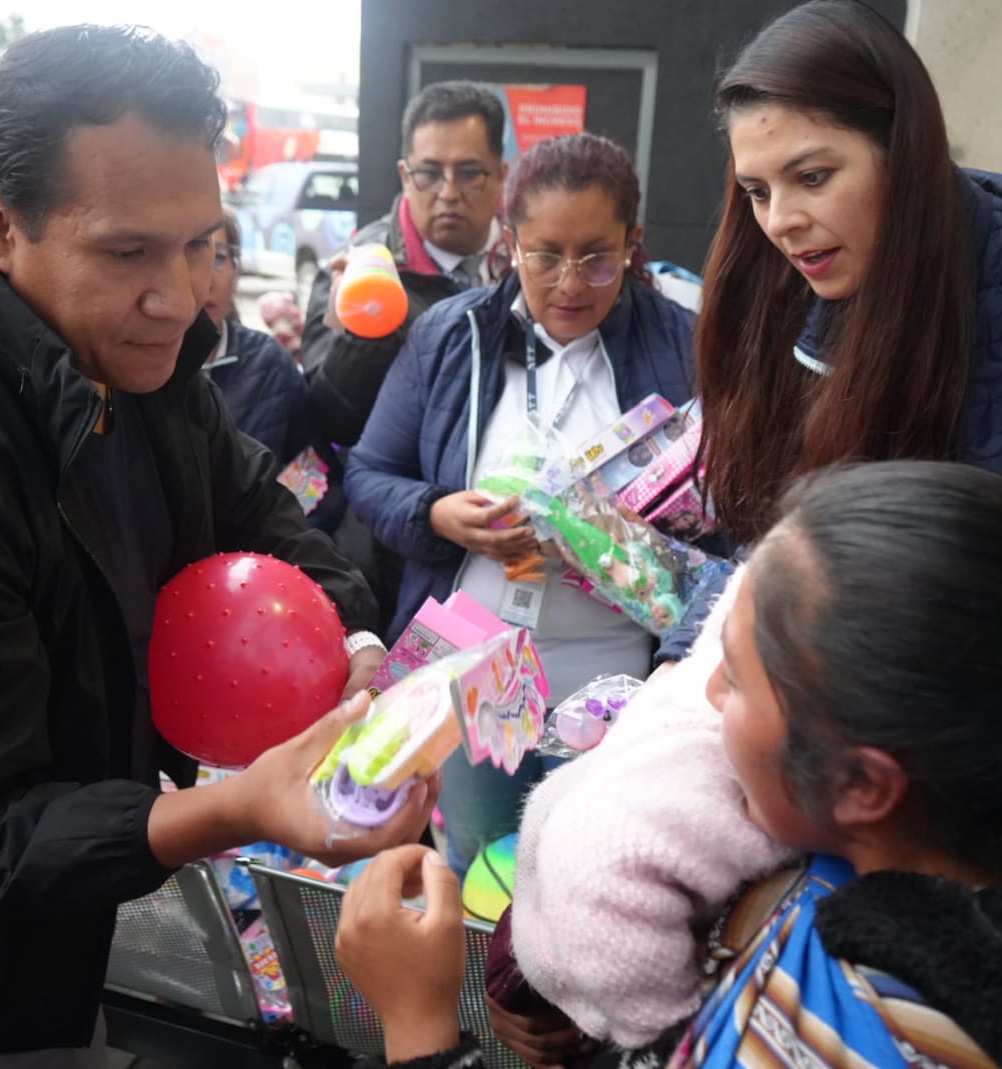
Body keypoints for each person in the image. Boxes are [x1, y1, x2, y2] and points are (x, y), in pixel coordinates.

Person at [0, 26, 429, 1062]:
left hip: (94, 839)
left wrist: (354, 634)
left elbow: (250, 503)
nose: (183, 296)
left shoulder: (123, 340)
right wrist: (231, 808)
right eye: (128, 251)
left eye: (200, 243)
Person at [336, 460, 1002, 1068]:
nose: (708, 697)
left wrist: (419, 1024)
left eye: (734, 676)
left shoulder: (831, 1029)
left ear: (861, 785)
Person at [655, 0, 1002, 666]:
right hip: (827, 695)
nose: (780, 220)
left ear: (906, 150)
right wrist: (674, 679)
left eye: (813, 177)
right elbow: (766, 548)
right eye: (757, 189)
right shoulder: (769, 289)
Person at [346, 133, 696, 876]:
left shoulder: (683, 348)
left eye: (598, 256)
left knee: (593, 875)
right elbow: (369, 472)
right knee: (479, 872)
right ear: (510, 241)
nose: (570, 282)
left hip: (616, 670)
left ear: (635, 244)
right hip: (473, 662)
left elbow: (728, 514)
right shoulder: (454, 335)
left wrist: (621, 544)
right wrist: (439, 514)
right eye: (543, 255)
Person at [302, 81, 509, 447]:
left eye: (469, 174)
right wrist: (366, 332)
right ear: (404, 176)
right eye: (429, 174)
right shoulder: (355, 272)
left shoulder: (537, 260)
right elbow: (330, 422)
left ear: (501, 175)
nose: (448, 193)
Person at [203, 211, 315, 460]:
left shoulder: (270, 362)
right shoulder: (143, 369)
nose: (207, 280)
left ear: (236, 270)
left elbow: (312, 466)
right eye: (193, 257)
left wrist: (287, 499)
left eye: (219, 258)